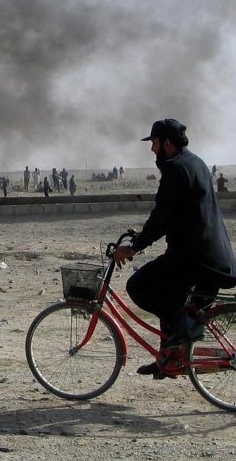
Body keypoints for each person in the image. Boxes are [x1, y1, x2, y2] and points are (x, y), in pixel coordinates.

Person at [113, 119, 236, 378]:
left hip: (195, 258)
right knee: (170, 297)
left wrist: (133, 247)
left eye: (154, 143)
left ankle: (185, 330)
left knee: (139, 285)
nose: (152, 149)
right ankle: (167, 360)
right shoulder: (197, 163)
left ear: (167, 143)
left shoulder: (175, 169)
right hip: (213, 255)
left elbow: (161, 217)